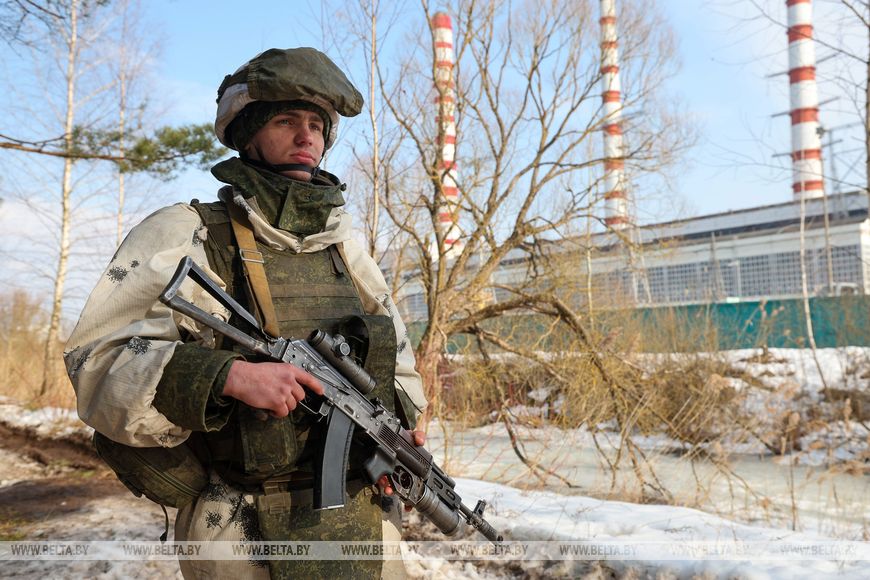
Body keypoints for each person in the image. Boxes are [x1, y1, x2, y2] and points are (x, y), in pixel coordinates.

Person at [64, 47, 428, 580]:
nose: (306, 137)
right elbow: (97, 363)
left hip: (361, 527)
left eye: (316, 125)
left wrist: (398, 434)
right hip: (239, 530)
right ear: (249, 132)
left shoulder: (346, 252)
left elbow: (400, 367)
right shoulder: (186, 234)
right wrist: (227, 377)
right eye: (286, 121)